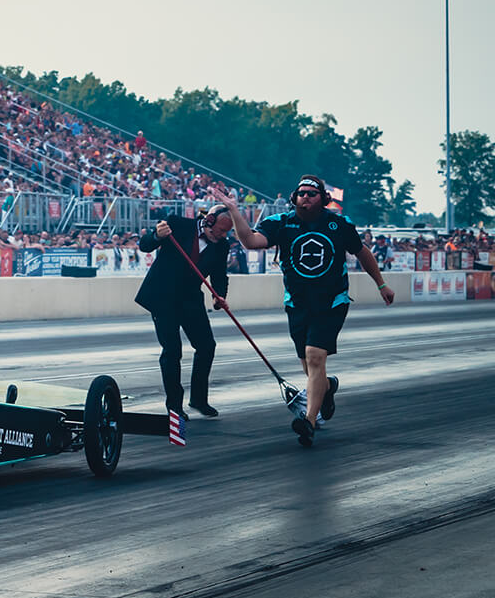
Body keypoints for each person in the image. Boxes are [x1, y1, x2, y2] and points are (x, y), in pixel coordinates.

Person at [214, 178, 394, 446]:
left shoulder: (339, 225)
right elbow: (251, 242)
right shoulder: (280, 223)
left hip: (332, 302)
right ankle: (328, 387)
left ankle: (309, 420)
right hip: (297, 304)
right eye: (301, 193)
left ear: (323, 198)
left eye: (311, 194)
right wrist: (234, 210)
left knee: (314, 356)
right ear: (293, 197)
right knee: (310, 367)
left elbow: (362, 252)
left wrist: (381, 283)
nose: (306, 198)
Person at [135, 205, 233, 417]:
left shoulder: (222, 245)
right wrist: (156, 235)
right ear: (209, 221)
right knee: (172, 351)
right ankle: (174, 406)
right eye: (221, 231)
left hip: (190, 298)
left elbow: (219, 274)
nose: (224, 236)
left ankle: (198, 399)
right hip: (163, 297)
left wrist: (219, 294)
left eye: (227, 232)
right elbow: (145, 246)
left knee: (207, 346)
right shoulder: (177, 225)